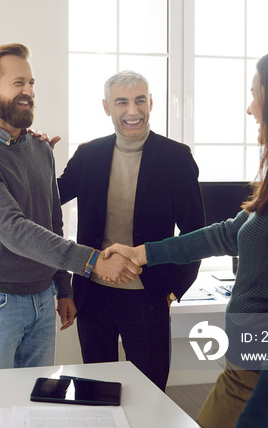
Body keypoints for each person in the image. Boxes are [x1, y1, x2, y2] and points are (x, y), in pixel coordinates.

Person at [104, 45, 268, 428]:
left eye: (256, 92)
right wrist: (143, 254)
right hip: (266, 365)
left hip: (267, 372)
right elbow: (228, 234)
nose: (250, 107)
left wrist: (256, 417)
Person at [0, 43, 141, 371]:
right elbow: (16, 231)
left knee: (35, 402)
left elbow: (52, 221)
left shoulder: (39, 148)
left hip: (42, 298)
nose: (28, 92)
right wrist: (92, 261)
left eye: (32, 83)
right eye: (18, 83)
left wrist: (62, 287)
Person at [56, 70, 205, 391]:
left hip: (148, 295)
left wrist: (175, 286)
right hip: (92, 294)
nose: (133, 111)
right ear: (107, 107)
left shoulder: (176, 158)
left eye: (140, 101)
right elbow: (49, 199)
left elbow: (195, 230)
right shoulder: (88, 154)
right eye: (122, 102)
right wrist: (34, 154)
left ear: (150, 103)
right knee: (96, 388)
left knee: (150, 392)